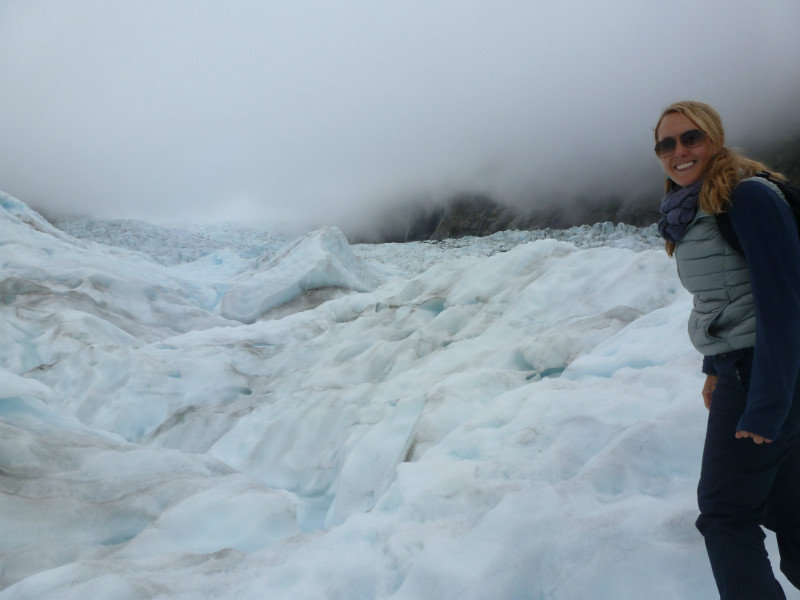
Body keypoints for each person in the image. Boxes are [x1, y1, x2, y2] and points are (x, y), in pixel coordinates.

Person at [654, 100, 800, 599]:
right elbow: (725, 299)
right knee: (789, 512)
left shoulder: (748, 197)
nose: (679, 151)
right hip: (751, 371)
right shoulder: (696, 207)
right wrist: (714, 366)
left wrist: (767, 404)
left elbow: (783, 301)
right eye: (666, 143)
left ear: (714, 139)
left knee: (725, 518)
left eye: (691, 137)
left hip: (766, 376)